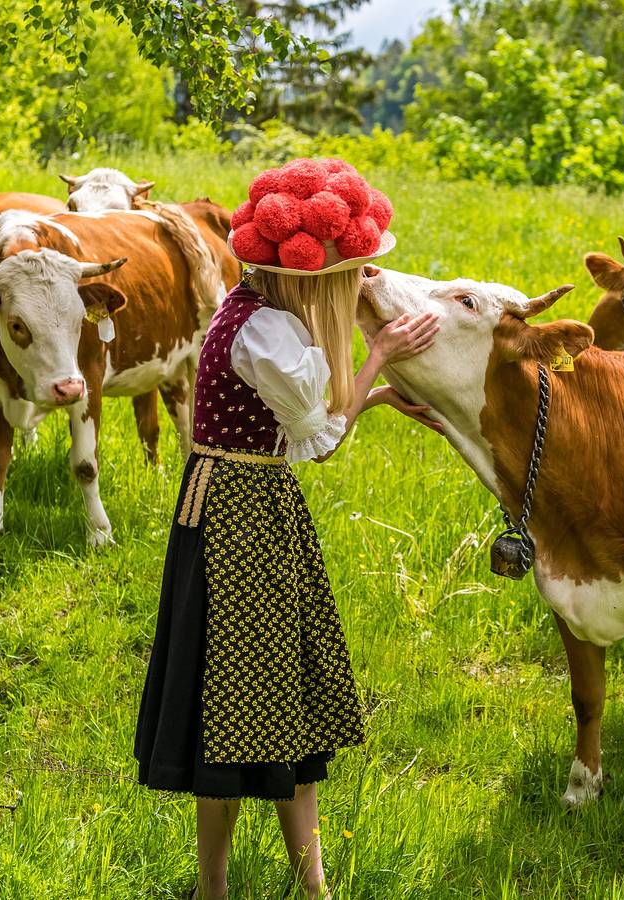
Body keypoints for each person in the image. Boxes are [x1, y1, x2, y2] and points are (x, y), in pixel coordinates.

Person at [134, 158, 440, 900]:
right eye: (351, 274)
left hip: (248, 506)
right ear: (311, 276)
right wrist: (379, 359)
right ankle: (218, 890)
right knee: (237, 703)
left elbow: (311, 418)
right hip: (240, 517)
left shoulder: (254, 310)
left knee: (280, 703)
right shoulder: (268, 331)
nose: (357, 285)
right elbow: (322, 438)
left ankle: (310, 889)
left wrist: (373, 396)